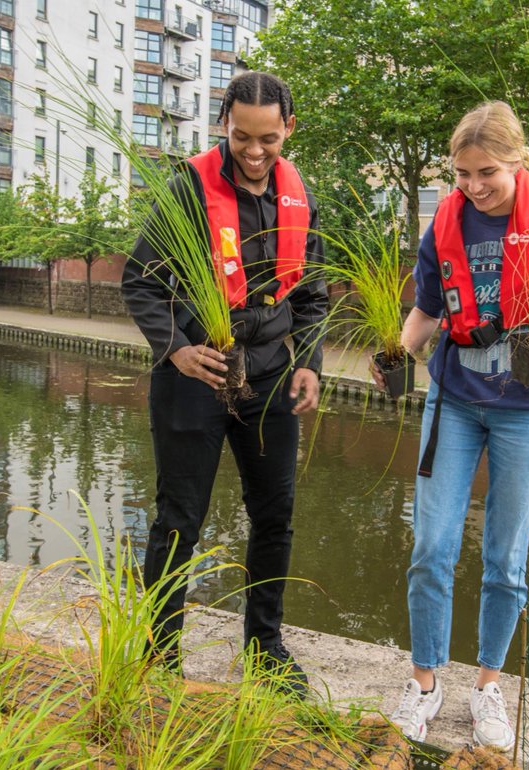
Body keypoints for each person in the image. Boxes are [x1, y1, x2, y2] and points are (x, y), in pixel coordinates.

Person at [379, 101, 529, 747]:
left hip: (528, 413)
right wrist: (397, 349)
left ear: (518, 162)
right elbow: (427, 310)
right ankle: (425, 682)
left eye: (487, 173)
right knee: (431, 547)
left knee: (506, 558)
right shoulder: (444, 226)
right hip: (453, 400)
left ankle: (486, 686)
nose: (475, 187)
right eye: (462, 174)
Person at [121, 71, 328, 697]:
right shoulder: (188, 189)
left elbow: (313, 295)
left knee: (275, 516)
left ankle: (265, 650)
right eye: (242, 137)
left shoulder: (300, 196)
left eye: (269, 138)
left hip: (269, 378)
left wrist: (309, 362)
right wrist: (177, 350)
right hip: (195, 377)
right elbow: (139, 281)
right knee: (178, 519)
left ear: (289, 128)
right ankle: (159, 657)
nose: (255, 151)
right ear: (224, 125)